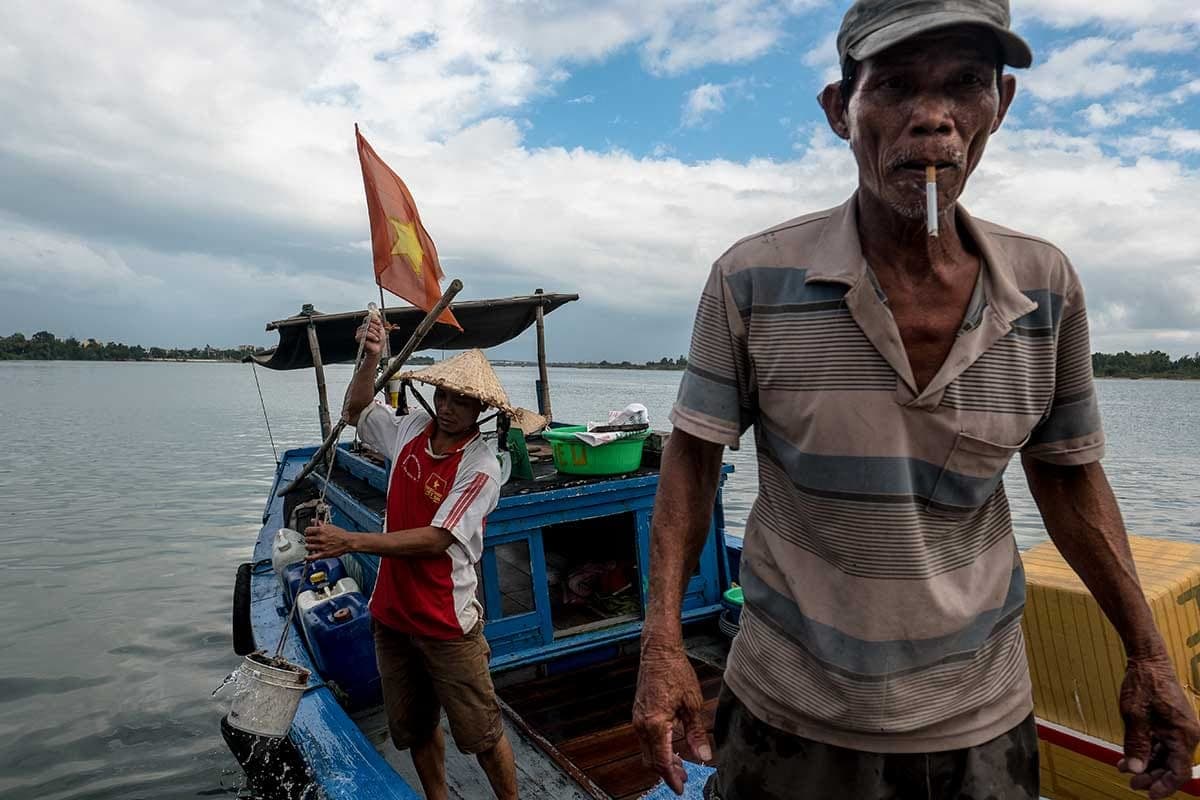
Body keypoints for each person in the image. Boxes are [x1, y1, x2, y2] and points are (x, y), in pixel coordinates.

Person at [632, 1, 1200, 798]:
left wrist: (1147, 654)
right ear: (840, 111)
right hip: (787, 712)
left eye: (964, 84)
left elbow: (1069, 475)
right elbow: (690, 466)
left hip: (980, 715)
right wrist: (661, 644)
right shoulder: (751, 278)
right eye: (894, 86)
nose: (932, 121)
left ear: (999, 104)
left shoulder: (1045, 287)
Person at [304, 317, 521, 800]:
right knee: (415, 727)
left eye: (460, 400)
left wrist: (350, 542)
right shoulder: (410, 431)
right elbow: (357, 409)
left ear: (481, 408)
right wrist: (370, 357)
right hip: (392, 617)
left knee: (483, 735)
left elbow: (436, 539)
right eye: (442, 395)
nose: (447, 408)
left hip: (446, 623)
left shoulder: (480, 466)